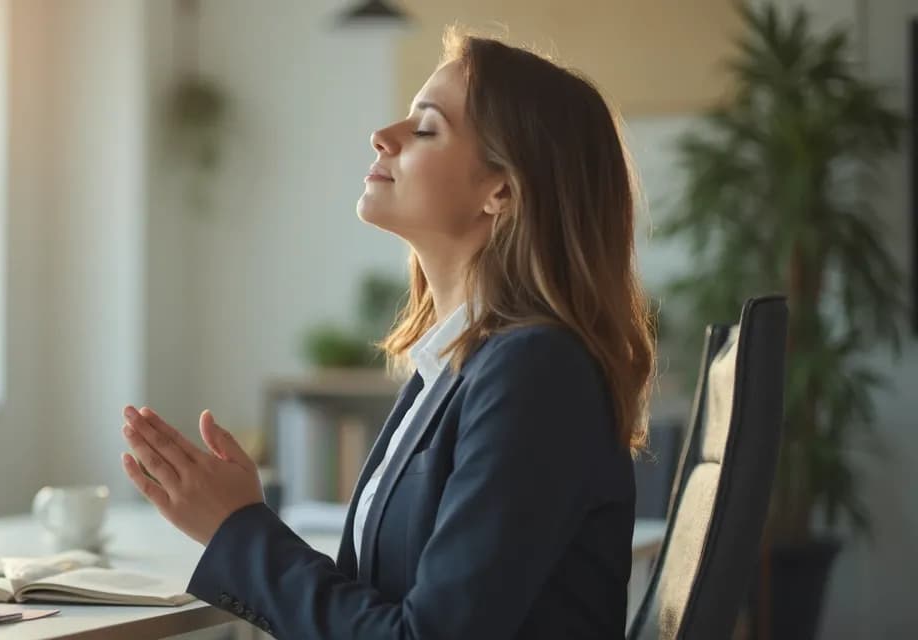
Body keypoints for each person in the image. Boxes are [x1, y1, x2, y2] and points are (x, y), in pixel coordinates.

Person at [119, 30, 655, 640]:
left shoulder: (537, 370)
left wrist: (238, 529)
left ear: (501, 190)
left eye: (425, 129)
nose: (383, 136)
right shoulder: (457, 366)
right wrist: (240, 523)